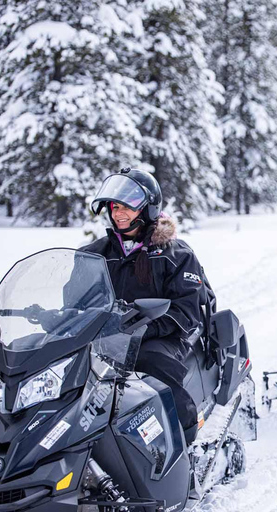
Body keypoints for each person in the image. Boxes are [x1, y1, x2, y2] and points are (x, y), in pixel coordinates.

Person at [85, 167, 207, 443]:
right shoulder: (95, 254)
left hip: (160, 336)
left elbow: (187, 311)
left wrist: (141, 327)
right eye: (114, 207)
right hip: (106, 338)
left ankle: (184, 438)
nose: (118, 213)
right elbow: (77, 299)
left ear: (147, 208)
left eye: (126, 206)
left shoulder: (176, 254)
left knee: (152, 366)